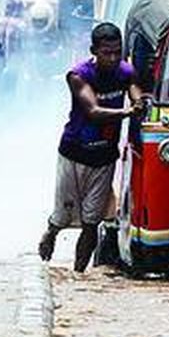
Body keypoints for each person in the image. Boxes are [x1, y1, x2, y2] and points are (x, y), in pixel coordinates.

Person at [38, 23, 143, 272]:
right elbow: (93, 112)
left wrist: (139, 101)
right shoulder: (79, 75)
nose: (113, 58)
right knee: (63, 217)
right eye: (107, 53)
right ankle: (51, 232)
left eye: (117, 52)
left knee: (91, 222)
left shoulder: (125, 71)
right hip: (74, 153)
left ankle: (78, 275)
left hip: (104, 157)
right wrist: (128, 111)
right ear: (94, 50)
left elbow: (135, 90)